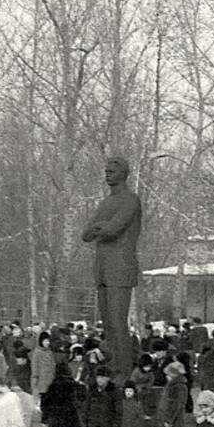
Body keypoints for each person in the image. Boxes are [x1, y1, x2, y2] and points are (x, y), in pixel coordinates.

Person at [82, 157, 142, 381]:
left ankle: (124, 372)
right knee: (108, 324)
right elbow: (86, 234)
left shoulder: (131, 200)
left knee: (118, 322)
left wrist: (101, 227)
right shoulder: (105, 203)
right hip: (103, 268)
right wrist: (100, 227)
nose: (107, 173)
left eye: (112, 170)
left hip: (121, 267)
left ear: (124, 173)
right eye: (106, 170)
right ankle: (115, 365)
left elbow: (113, 229)